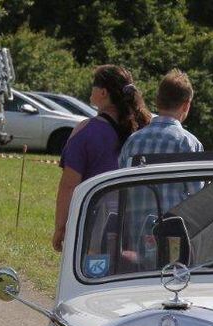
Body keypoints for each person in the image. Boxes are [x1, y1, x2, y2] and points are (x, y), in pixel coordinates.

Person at [52, 65, 151, 252]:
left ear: (103, 92)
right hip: (137, 224)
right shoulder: (143, 129)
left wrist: (60, 227)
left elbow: (68, 185)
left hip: (95, 223)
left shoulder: (85, 131)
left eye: (94, 86)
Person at [117, 69, 204, 260]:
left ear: (157, 101)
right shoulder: (188, 144)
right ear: (186, 105)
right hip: (172, 243)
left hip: (134, 242)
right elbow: (197, 198)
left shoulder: (133, 141)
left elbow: (119, 189)